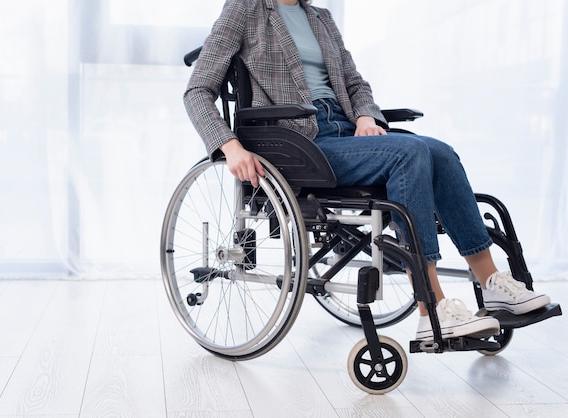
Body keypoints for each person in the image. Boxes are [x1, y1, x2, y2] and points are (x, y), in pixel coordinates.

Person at [183, 0, 551, 341]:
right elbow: (197, 90)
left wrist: (364, 115)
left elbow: (355, 83)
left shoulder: (320, 18)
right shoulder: (245, 10)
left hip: (345, 130)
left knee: (440, 152)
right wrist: (229, 146)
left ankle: (491, 282)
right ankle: (431, 307)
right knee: (409, 153)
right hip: (299, 142)